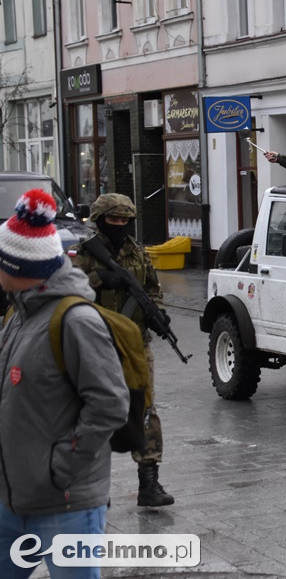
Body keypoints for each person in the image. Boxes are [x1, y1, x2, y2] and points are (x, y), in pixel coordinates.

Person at [0, 189, 128, 579]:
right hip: (10, 502)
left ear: (19, 267)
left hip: (65, 507)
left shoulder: (76, 321)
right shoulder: (18, 315)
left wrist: (59, 468)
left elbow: (110, 404)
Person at [70, 194, 174, 507]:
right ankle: (91, 487)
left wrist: (158, 313)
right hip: (94, 345)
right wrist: (98, 279)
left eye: (125, 220)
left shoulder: (138, 252)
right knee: (90, 412)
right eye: (113, 220)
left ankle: (149, 483)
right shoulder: (83, 253)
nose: (119, 225)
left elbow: (153, 289)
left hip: (135, 345)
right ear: (99, 220)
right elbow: (66, 290)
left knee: (145, 411)